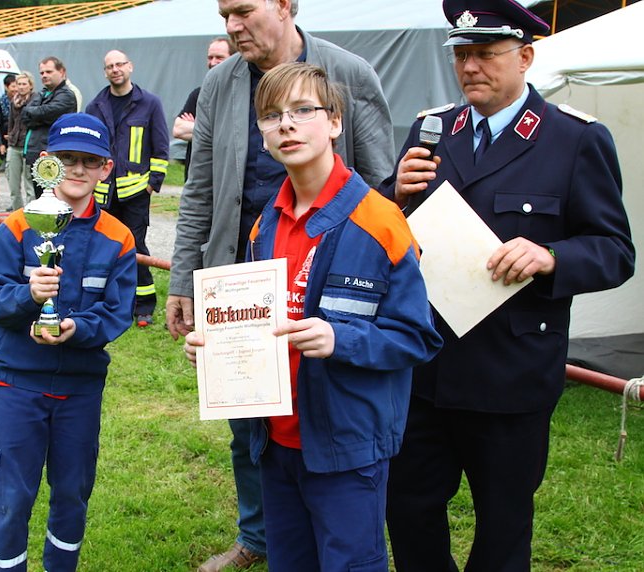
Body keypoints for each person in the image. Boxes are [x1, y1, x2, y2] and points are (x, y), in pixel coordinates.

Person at [379, 1, 636, 570]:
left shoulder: (573, 139)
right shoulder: (432, 129)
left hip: (510, 371)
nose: (470, 67)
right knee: (408, 507)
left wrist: (550, 256)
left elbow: (615, 251)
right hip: (426, 365)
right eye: (461, 55)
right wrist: (391, 194)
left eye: (485, 54)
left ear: (525, 58)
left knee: (502, 522)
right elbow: (391, 228)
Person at [184, 61, 441, 572]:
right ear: (261, 135)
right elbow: (259, 321)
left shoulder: (380, 221)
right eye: (271, 116)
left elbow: (416, 336)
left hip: (347, 447)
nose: (287, 125)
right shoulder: (266, 223)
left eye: (303, 110)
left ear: (335, 122)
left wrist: (340, 339)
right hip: (276, 443)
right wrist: (218, 346)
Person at [166, 1, 395, 568]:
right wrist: (183, 279)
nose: (231, 26)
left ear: (285, 5)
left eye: (243, 10)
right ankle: (260, 536)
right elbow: (200, 188)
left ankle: (338, 528)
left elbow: (380, 181)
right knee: (249, 418)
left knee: (327, 406)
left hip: (327, 276)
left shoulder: (349, 74)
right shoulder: (219, 84)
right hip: (238, 279)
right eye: (224, 14)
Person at [0, 112, 137, 572]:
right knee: (11, 492)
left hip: (80, 387)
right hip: (18, 382)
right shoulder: (19, 225)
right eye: (67, 159)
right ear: (47, 162)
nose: (78, 169)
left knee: (72, 490)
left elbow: (117, 311)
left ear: (106, 168)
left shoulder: (118, 237)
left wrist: (77, 329)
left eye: (90, 161)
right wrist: (28, 296)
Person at [85, 49, 170, 328]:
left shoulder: (149, 103)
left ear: (130, 67)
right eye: (109, 66)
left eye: (119, 64)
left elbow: (160, 145)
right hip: (104, 194)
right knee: (104, 247)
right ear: (105, 72)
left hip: (135, 192)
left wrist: (152, 184)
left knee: (136, 247)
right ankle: (110, 301)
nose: (115, 69)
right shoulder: (95, 106)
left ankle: (143, 305)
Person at [173, 37, 234, 181]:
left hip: (225, 179)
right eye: (210, 57)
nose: (213, 62)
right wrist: (219, 132)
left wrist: (196, 127)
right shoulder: (199, 95)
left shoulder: (241, 96)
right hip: (196, 178)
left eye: (219, 57)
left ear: (234, 59)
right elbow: (178, 130)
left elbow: (236, 136)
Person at [21, 56, 78, 195]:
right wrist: (39, 116)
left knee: (54, 197)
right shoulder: (42, 94)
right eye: (42, 73)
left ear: (62, 72)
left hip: (53, 156)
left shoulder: (67, 95)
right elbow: (25, 115)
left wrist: (36, 115)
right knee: (40, 197)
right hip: (36, 154)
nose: (44, 75)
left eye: (49, 71)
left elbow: (44, 112)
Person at [6, 72, 38, 211]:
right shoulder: (14, 101)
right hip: (14, 144)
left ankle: (31, 212)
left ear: (30, 85)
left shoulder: (36, 100)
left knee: (29, 183)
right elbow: (11, 122)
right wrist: (9, 137)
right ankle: (17, 212)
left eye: (24, 84)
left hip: (28, 145)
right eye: (19, 84)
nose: (21, 87)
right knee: (13, 183)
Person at [0, 73, 17, 174]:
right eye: (13, 86)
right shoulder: (1, 102)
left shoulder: (22, 100)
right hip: (5, 136)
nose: (15, 89)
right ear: (6, 87)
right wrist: (1, 144)